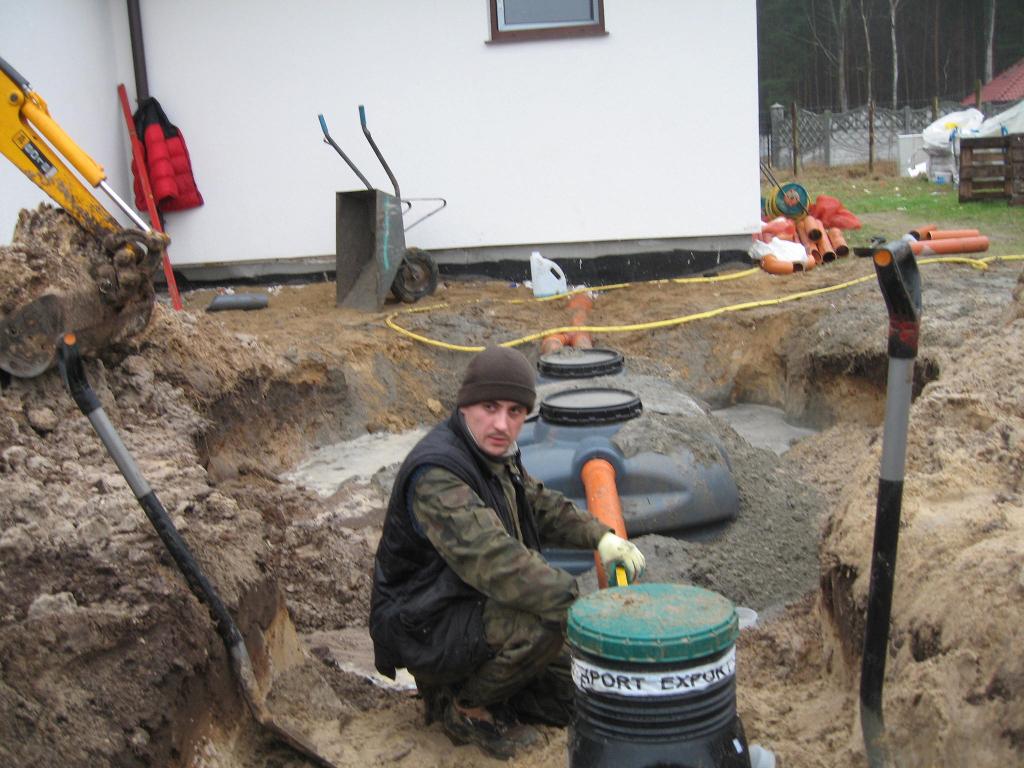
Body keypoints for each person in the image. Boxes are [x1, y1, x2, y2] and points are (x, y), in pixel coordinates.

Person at [369, 345, 646, 759]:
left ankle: (492, 689)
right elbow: (497, 561)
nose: (502, 423)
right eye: (490, 406)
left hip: (467, 608)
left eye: (515, 411)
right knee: (548, 616)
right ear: (465, 405)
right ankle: (464, 706)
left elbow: (536, 502)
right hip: (424, 624)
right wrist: (577, 606)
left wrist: (602, 537)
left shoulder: (492, 454)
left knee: (576, 697)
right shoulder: (438, 475)